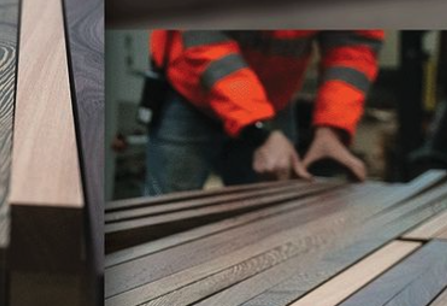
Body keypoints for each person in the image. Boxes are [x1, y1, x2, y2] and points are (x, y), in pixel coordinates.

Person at [143, 30, 384, 195]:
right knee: (166, 221)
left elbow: (353, 46)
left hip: (272, 100)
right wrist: (261, 129)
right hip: (192, 94)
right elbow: (206, 39)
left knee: (271, 222)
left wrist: (332, 129)